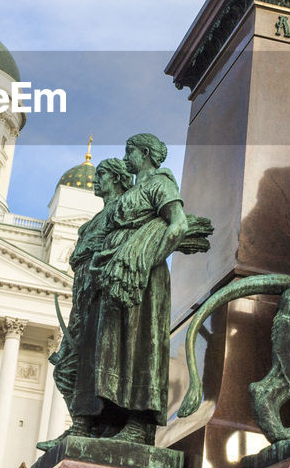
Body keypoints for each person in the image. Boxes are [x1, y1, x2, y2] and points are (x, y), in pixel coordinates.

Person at [73, 134, 187, 444]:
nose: (127, 157)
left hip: (141, 278)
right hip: (114, 276)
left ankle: (139, 422)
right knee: (111, 348)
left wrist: (143, 258)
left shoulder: (159, 184)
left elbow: (178, 225)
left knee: (137, 345)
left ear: (146, 153)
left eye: (131, 151)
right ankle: (110, 419)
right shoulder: (131, 192)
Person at [37, 157, 133, 451]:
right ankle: (81, 424)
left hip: (100, 295)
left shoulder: (123, 210)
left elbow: (123, 246)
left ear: (116, 179)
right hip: (81, 297)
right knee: (65, 368)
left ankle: (84, 425)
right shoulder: (93, 221)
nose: (96, 180)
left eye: (102, 175)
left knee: (90, 366)